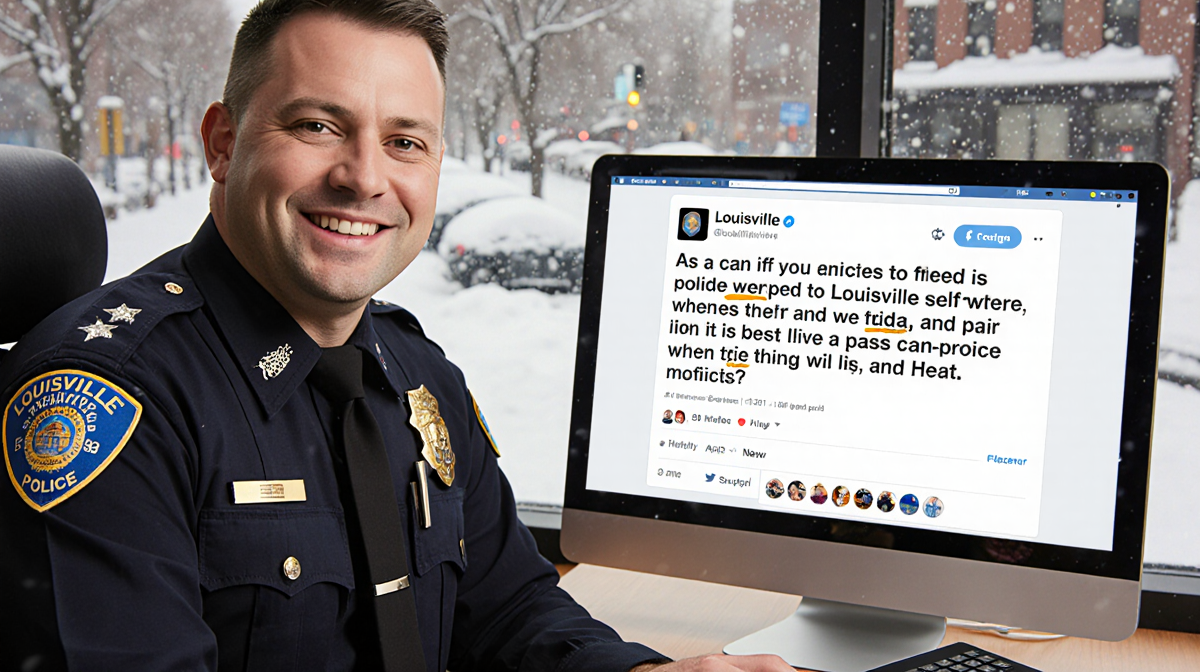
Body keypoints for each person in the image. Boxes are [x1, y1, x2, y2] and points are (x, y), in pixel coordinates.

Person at [0, 2, 793, 671]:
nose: (365, 178)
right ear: (222, 143)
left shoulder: (417, 375)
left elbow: (508, 608)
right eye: (317, 125)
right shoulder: (107, 401)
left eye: (405, 142)